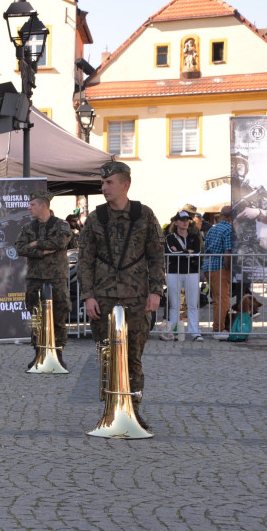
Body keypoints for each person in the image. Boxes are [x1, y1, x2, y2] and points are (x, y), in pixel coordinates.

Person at [77, 162, 165, 429]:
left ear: (125, 185)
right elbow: (85, 260)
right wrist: (88, 296)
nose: (104, 188)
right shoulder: (95, 218)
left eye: (110, 183)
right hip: (103, 298)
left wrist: (156, 291)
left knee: (133, 358)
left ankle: (133, 411)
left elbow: (156, 256)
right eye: (102, 183)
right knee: (107, 356)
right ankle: (111, 410)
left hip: (137, 298)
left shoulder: (144, 215)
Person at [13, 189, 73, 369]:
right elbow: (20, 248)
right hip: (35, 278)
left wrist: (36, 243)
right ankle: (39, 353)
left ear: (43, 205)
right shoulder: (28, 228)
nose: (29, 208)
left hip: (56, 278)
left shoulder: (61, 225)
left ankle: (58, 353)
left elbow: (60, 242)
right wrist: (42, 250)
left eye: (33, 205)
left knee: (59, 315)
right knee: (37, 317)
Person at [161, 209, 203, 341]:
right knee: (174, 304)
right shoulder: (169, 237)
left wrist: (180, 252)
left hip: (192, 272)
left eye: (187, 220)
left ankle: (194, 331)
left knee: (192, 304)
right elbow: (170, 252)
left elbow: (197, 252)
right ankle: (172, 331)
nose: (185, 223)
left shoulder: (193, 237)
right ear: (176, 222)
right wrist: (186, 252)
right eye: (182, 220)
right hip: (174, 272)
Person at [203, 205, 234, 338]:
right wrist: (229, 269)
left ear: (221, 216)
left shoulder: (212, 229)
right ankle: (219, 328)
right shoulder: (229, 229)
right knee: (223, 299)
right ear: (232, 217)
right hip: (220, 267)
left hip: (208, 266)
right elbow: (228, 252)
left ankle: (217, 326)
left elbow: (206, 247)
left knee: (217, 299)